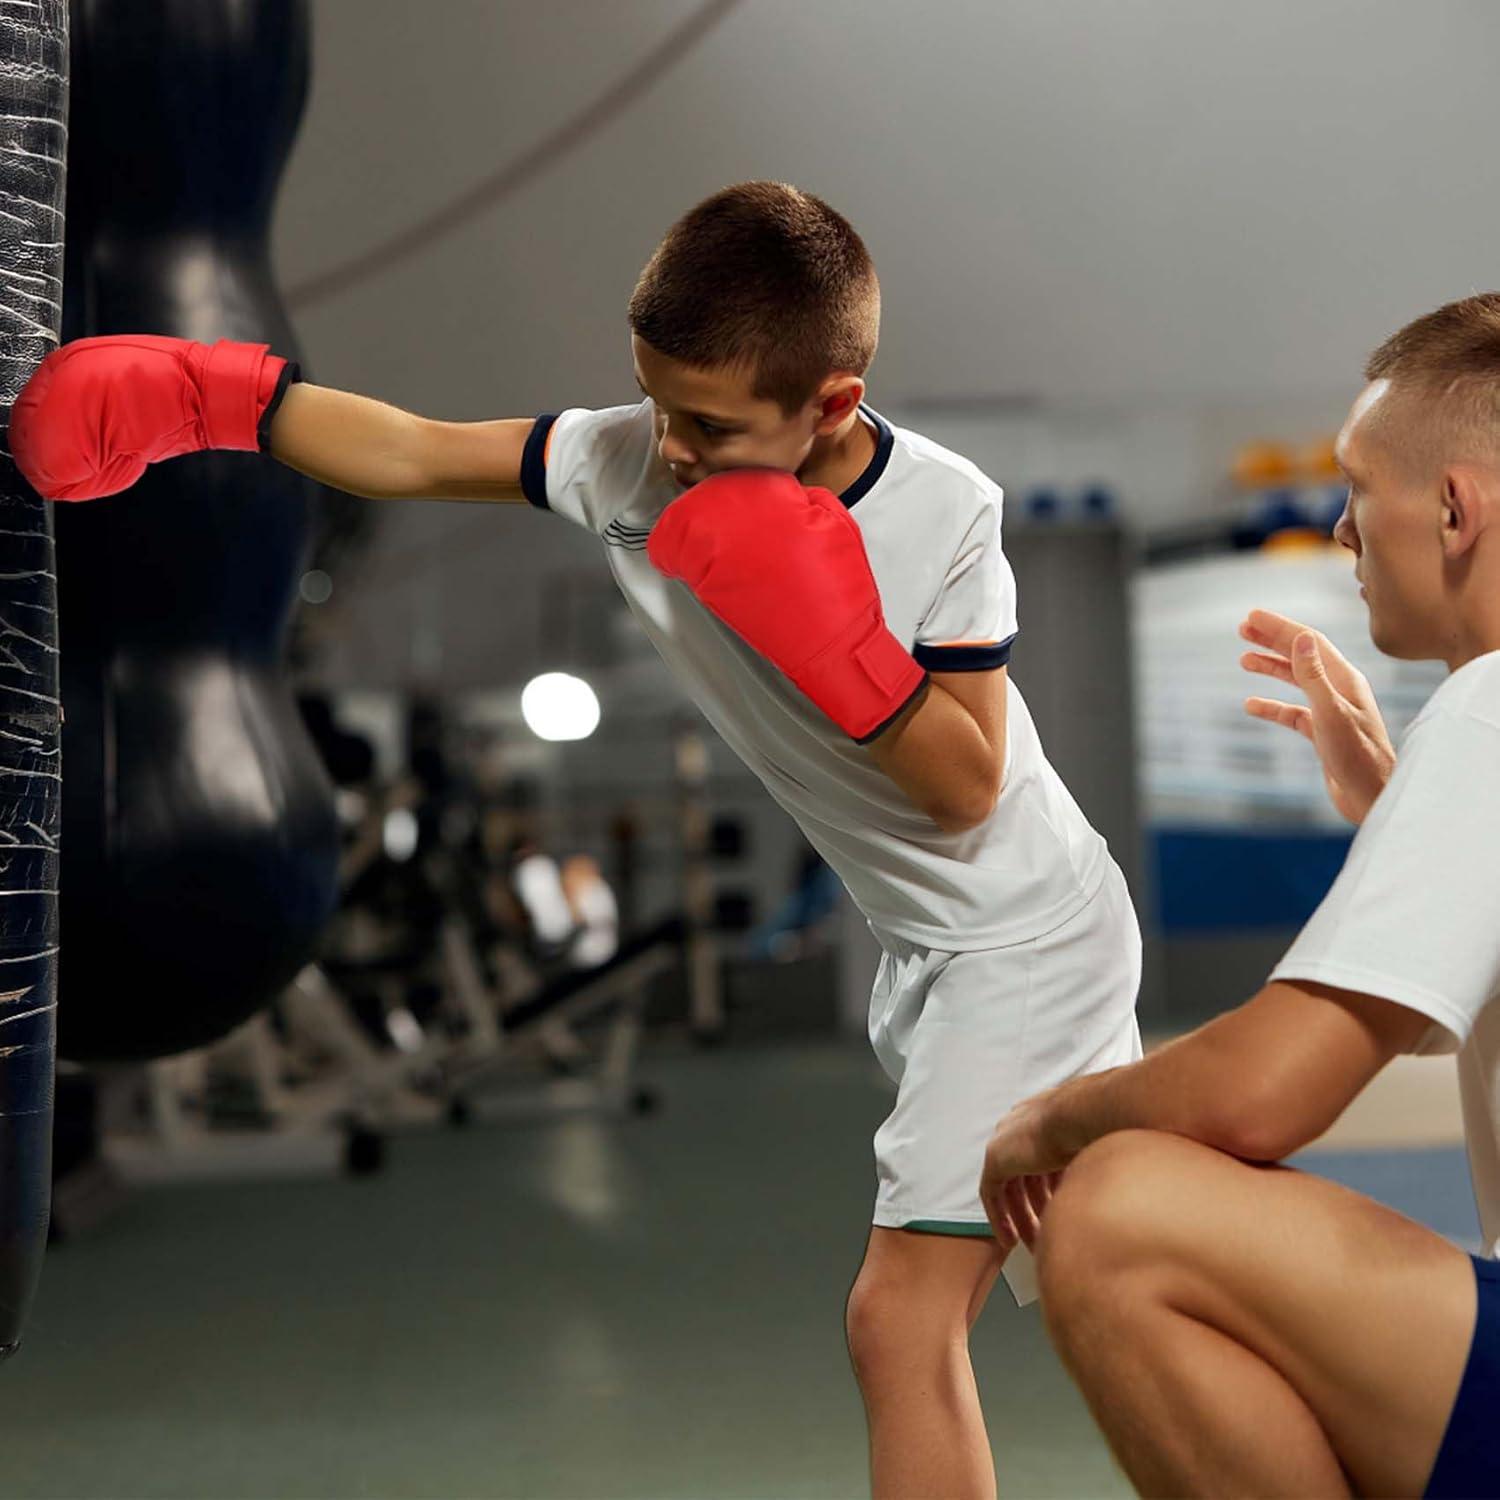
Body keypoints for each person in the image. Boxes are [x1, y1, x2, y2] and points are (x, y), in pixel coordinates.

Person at [10, 180, 1141, 1500]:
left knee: (902, 1319)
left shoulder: (945, 509)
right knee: (1122, 1272)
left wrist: (838, 642)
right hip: (926, 947)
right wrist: (216, 402)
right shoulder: (625, 459)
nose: (672, 449)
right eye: (657, 403)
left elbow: (965, 788)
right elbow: (416, 452)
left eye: (712, 427)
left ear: (833, 404)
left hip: (1022, 938)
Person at [979, 292, 1500, 1499]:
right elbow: (1440, 1020)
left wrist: (1048, 1121)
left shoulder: (1487, 709)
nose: (1341, 528)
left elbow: (1263, 1092)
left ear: (1455, 508)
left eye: (1359, 488)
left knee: (1122, 1210)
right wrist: (1397, 811)